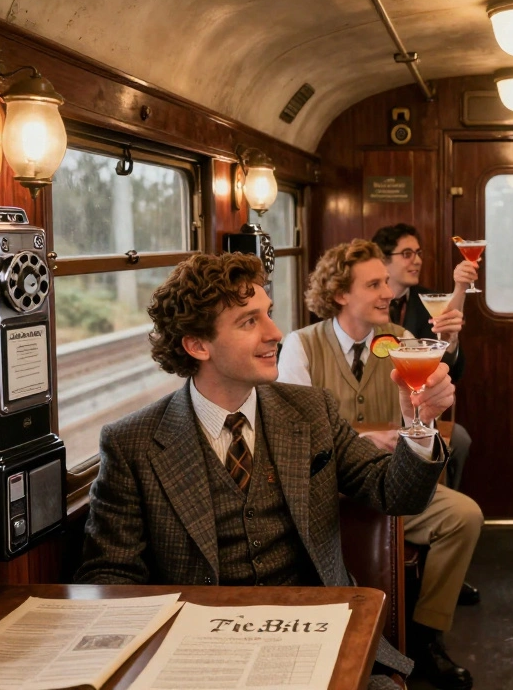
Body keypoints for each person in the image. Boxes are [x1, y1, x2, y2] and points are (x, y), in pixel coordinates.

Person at [76, 253, 455, 690]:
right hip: (198, 660)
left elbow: (395, 494)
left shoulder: (311, 412)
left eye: (269, 314)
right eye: (248, 321)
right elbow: (111, 577)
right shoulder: (132, 443)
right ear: (198, 345)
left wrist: (418, 424)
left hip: (317, 633)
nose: (275, 332)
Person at [278, 239, 483, 690]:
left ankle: (426, 638)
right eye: (373, 284)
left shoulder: (402, 340)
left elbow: (418, 412)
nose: (387, 293)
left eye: (386, 283)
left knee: (464, 516)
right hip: (324, 488)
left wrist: (420, 416)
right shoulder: (300, 346)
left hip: (388, 484)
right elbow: (294, 432)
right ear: (339, 294)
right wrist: (366, 439)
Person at [372, 223, 476, 490]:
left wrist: (451, 341)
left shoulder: (430, 299)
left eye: (418, 253)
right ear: (383, 260)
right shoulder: (364, 307)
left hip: (419, 404)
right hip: (376, 408)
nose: (416, 260)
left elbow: (453, 370)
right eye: (407, 254)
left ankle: (439, 495)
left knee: (460, 439)